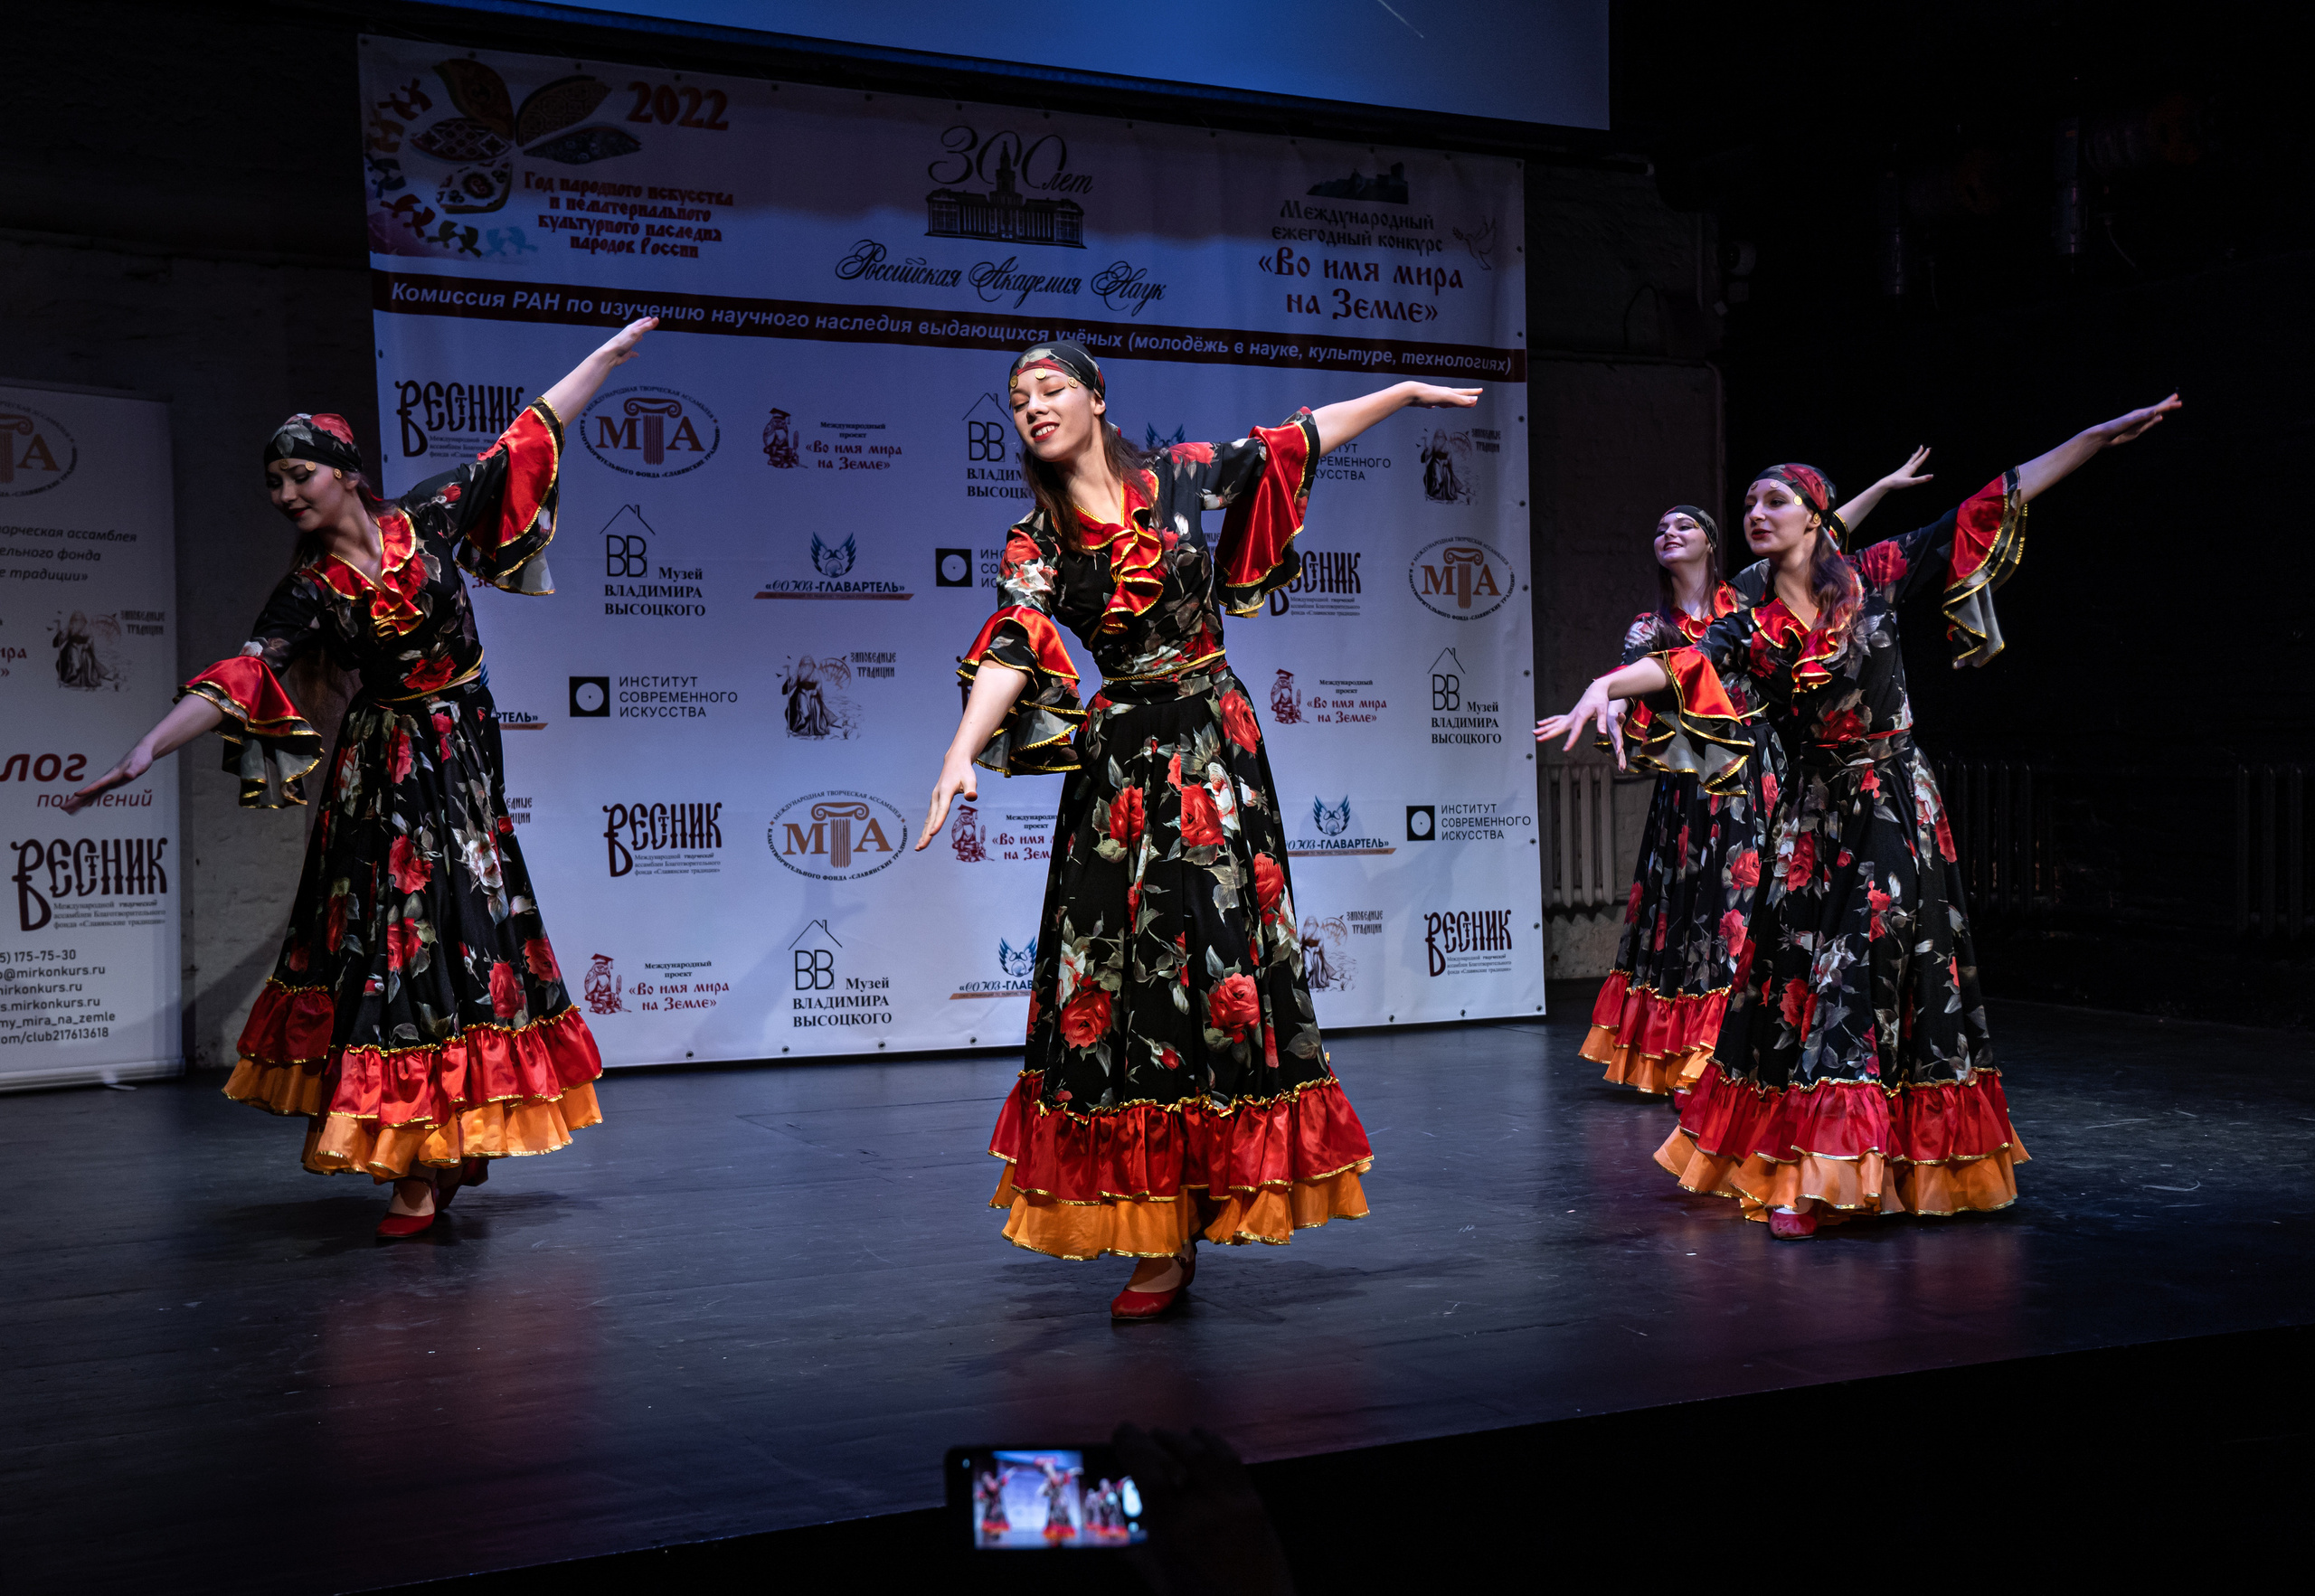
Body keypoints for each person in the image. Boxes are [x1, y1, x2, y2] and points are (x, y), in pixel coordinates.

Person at [63, 317, 661, 1238]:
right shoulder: (308, 591)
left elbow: (527, 436)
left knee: (473, 942)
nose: (284, 492)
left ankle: (458, 1138)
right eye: (273, 482)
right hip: (381, 774)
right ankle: (412, 1169)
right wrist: (147, 748)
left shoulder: (425, 518)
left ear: (343, 470)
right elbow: (246, 674)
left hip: (461, 758)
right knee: (397, 948)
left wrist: (606, 359)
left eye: (297, 474)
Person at [918, 340, 1479, 1317]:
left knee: (1220, 969)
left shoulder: (1177, 478)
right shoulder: (1036, 538)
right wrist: (958, 749)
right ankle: (1157, 1233)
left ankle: (1212, 1191)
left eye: (1050, 390)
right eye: (1016, 402)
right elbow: (1015, 638)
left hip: (1215, 744)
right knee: (1126, 981)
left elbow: (1294, 441)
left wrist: (1399, 391)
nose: (1033, 409)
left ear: (1097, 398)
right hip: (1122, 765)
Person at [1540, 396, 2180, 1237]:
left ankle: (1822, 1182)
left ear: (1814, 518)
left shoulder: (1873, 575)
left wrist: (2092, 439)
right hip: (1810, 819)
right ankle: (1822, 1162)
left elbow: (1989, 502)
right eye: (1749, 505)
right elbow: (1682, 663)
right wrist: (1603, 686)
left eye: (1775, 502)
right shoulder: (1751, 620)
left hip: (1889, 805)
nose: (1755, 514)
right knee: (1793, 983)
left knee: (1861, 975)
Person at [1573, 451, 1933, 1096]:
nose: (1669, 535)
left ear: (1711, 542)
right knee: (1693, 909)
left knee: (1748, 902)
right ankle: (1689, 1046)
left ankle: (1732, 1040)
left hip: (1756, 769)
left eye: (1683, 525)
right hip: (1693, 780)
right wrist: (1611, 693)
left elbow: (1823, 530)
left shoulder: (1740, 594)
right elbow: (1652, 674)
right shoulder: (1653, 626)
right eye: (1660, 529)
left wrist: (1877, 486)